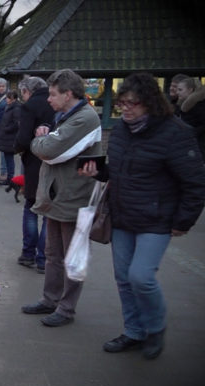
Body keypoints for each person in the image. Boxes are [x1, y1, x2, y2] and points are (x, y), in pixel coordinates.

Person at [79, 72, 205, 358]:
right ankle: (134, 332)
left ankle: (155, 328)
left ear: (150, 103)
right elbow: (119, 171)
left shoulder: (176, 133)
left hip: (157, 219)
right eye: (122, 103)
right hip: (123, 215)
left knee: (141, 277)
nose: (126, 109)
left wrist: (184, 221)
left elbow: (195, 182)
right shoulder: (123, 129)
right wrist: (98, 171)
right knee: (123, 278)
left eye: (133, 104)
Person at [20, 69, 103, 327]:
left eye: (54, 94)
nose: (48, 99)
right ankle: (50, 299)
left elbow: (52, 151)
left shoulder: (85, 119)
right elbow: (53, 144)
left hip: (74, 198)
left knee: (72, 256)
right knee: (53, 253)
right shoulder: (66, 116)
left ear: (68, 94)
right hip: (59, 195)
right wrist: (47, 137)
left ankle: (66, 309)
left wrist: (41, 139)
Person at [15, 76, 54, 274]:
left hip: (34, 162)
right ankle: (43, 259)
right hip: (54, 163)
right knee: (48, 211)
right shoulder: (56, 103)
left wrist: (18, 148)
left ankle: (28, 253)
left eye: (23, 94)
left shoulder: (30, 106)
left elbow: (22, 137)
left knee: (31, 206)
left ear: (27, 91)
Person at [0, 90, 21, 185]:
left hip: (10, 137)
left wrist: (6, 129)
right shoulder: (10, 107)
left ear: (12, 98)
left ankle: (10, 178)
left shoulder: (16, 108)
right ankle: (10, 177)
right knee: (7, 158)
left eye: (7, 98)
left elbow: (16, 123)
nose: (6, 100)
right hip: (7, 137)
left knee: (9, 159)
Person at [175, 77, 205, 159]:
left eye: (180, 90)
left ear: (190, 90)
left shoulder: (199, 106)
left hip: (198, 149)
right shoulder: (181, 105)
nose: (177, 92)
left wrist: (190, 133)